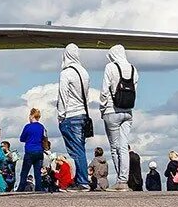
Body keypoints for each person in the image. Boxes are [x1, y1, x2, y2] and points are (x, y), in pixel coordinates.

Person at [100, 45, 137, 192]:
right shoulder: (133, 69)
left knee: (115, 148)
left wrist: (103, 108)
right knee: (123, 147)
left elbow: (104, 90)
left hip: (112, 110)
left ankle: (120, 182)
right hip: (128, 111)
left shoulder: (110, 67)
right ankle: (123, 180)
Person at [56, 44, 92, 191]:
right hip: (83, 114)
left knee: (76, 151)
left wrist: (61, 115)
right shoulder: (84, 73)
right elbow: (87, 96)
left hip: (70, 115)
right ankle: (80, 179)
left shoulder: (66, 73)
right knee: (80, 149)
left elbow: (62, 95)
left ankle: (83, 182)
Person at [16, 108, 46, 192]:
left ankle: (21, 188)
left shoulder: (28, 126)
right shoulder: (41, 127)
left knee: (24, 172)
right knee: (37, 172)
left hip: (30, 151)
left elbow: (22, 138)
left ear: (31, 116)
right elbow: (44, 138)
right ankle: (38, 188)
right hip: (39, 151)